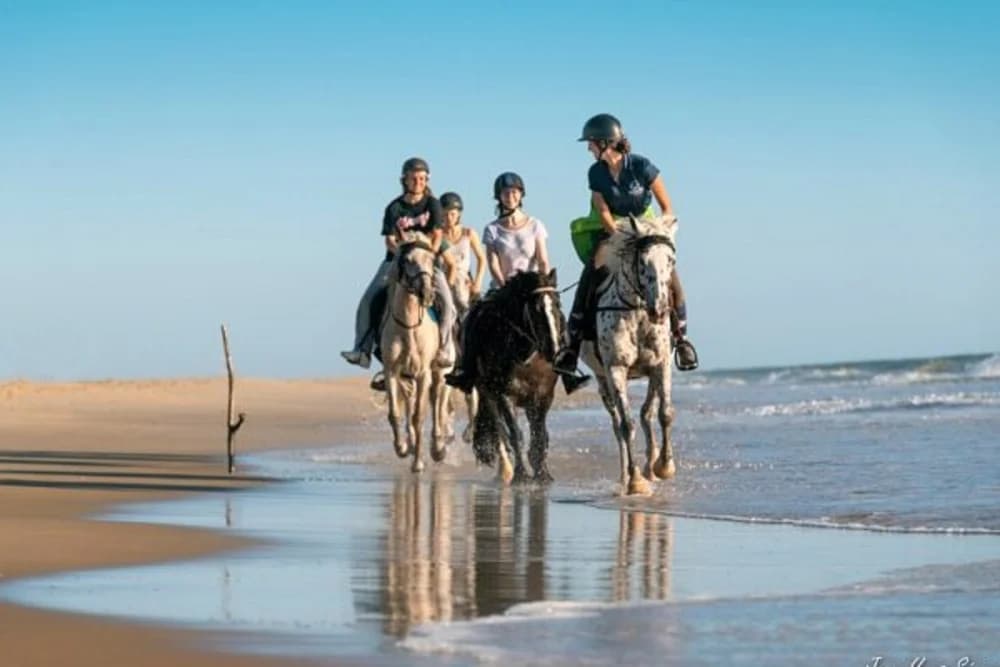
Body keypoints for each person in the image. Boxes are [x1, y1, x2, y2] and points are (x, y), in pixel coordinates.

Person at [555, 113, 700, 376]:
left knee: (672, 281)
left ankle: (681, 340)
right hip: (615, 230)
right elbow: (602, 210)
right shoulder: (596, 173)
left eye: (591, 143)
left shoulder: (642, 166)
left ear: (605, 142)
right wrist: (617, 234)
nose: (588, 148)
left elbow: (667, 207)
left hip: (647, 228)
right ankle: (572, 346)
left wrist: (657, 231)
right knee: (590, 276)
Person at [445, 173, 590, 395]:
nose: (510, 196)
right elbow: (492, 261)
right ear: (499, 197)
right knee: (474, 320)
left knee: (557, 319)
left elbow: (542, 258)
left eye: (514, 192)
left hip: (532, 288)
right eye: (505, 193)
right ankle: (466, 371)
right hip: (503, 289)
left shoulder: (535, 225)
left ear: (521, 195)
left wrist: (544, 281)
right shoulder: (492, 229)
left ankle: (568, 372)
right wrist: (504, 286)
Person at [340, 157, 456, 376]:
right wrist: (403, 252)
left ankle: (444, 349)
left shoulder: (433, 205)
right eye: (414, 178)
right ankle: (362, 350)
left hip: (427, 260)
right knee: (368, 300)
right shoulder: (394, 207)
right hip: (397, 260)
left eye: (422, 178)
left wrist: (427, 253)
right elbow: (389, 240)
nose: (418, 182)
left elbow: (438, 235)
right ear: (405, 180)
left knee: (448, 303)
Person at [438, 191, 487, 312]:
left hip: (464, 281)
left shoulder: (469, 233)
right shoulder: (438, 236)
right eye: (444, 215)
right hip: (444, 280)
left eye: (452, 214)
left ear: (459, 214)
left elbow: (481, 258)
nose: (449, 218)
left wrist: (477, 282)